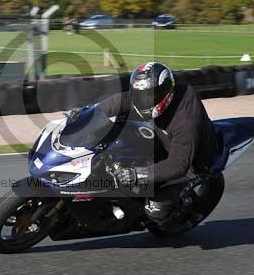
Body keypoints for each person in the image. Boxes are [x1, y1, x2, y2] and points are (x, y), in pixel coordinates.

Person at [75, 62, 219, 224]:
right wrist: (86, 115)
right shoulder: (145, 97)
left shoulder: (184, 119)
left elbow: (178, 165)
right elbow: (117, 102)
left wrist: (138, 174)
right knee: (119, 133)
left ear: (165, 92)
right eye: (140, 95)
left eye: (149, 96)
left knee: (155, 210)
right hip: (162, 139)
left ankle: (183, 213)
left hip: (191, 162)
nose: (143, 100)